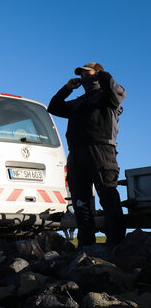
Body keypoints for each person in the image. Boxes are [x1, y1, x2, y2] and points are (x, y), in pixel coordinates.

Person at [48, 62, 126, 250]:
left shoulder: (108, 97)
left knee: (108, 197)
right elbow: (54, 107)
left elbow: (117, 92)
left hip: (101, 151)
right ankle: (86, 246)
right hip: (76, 153)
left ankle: (116, 246)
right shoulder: (79, 102)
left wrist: (101, 75)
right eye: (81, 74)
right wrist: (67, 88)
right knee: (80, 202)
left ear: (98, 74)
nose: (83, 77)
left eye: (86, 73)